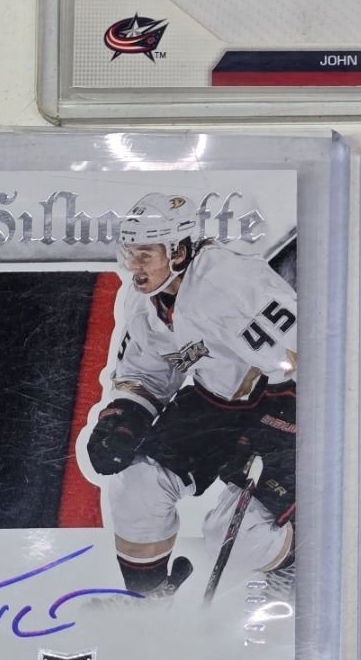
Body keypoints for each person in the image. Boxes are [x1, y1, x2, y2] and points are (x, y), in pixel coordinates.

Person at [82, 191, 297, 601]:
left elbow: (308, 357)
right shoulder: (144, 301)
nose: (134, 265)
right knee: (137, 483)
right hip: (217, 404)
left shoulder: (229, 284)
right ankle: (148, 600)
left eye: (145, 254)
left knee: (231, 534)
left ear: (178, 252)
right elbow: (147, 372)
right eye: (129, 253)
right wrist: (124, 418)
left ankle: (298, 563)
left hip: (290, 407)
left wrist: (280, 434)